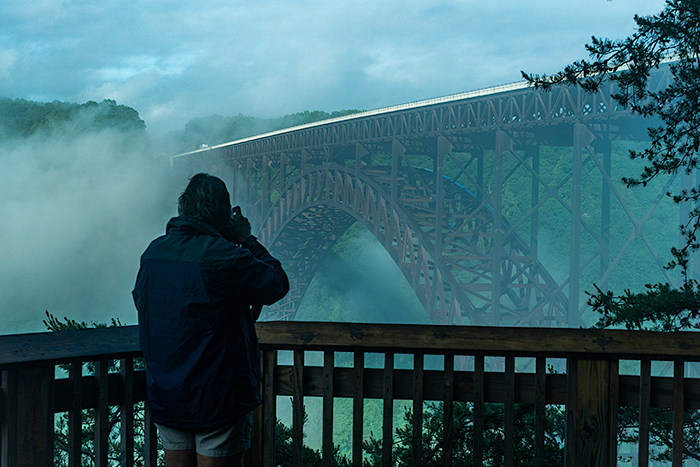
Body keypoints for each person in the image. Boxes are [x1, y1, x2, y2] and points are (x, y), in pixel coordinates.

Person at [133, 173, 289, 467]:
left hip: (168, 393)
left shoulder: (153, 253)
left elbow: (142, 303)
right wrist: (246, 239)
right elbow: (276, 283)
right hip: (218, 395)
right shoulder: (225, 256)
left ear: (184, 209)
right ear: (222, 213)